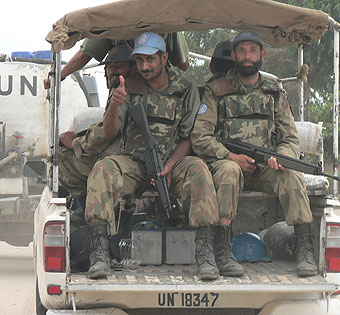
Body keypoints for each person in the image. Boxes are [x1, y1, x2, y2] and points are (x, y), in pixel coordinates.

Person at [84, 32, 227, 281]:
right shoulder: (128, 86)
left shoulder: (186, 90)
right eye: (139, 60)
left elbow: (189, 137)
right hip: (134, 162)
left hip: (175, 162)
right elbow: (110, 132)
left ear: (164, 57)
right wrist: (116, 103)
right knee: (102, 170)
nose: (144, 66)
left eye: (150, 60)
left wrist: (170, 166)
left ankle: (205, 253)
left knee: (200, 171)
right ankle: (100, 253)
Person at [190, 30, 317, 277]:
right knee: (228, 171)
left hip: (266, 168)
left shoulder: (275, 93)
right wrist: (229, 156)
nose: (247, 56)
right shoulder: (216, 91)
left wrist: (280, 157)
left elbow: (290, 137)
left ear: (262, 55)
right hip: (228, 165)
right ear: (235, 55)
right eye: (242, 51)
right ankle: (222, 250)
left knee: (292, 176)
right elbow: (200, 136)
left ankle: (304, 248)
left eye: (252, 50)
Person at [59, 45, 137, 214]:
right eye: (110, 66)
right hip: (124, 157)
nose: (113, 71)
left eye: (119, 66)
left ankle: (87, 205)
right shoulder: (121, 88)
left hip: (124, 160)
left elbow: (107, 133)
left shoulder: (125, 91)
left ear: (133, 67)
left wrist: (75, 143)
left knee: (62, 159)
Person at [43, 32, 190, 89]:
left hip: (123, 92)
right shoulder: (168, 24)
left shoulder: (113, 21)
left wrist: (59, 76)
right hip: (153, 92)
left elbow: (85, 55)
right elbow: (184, 65)